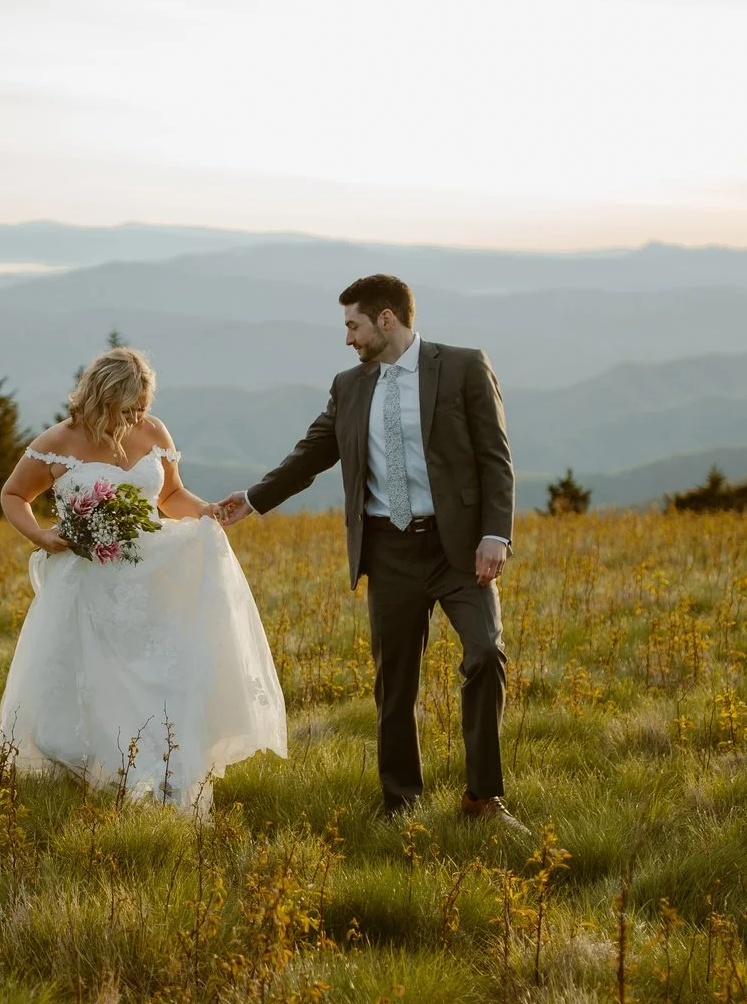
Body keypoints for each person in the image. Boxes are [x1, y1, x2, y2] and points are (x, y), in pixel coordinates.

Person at [214, 275, 519, 825]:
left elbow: (495, 456)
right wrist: (255, 499)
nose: (347, 339)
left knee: (485, 655)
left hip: (459, 550)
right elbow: (311, 453)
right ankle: (401, 802)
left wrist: (496, 534)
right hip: (389, 552)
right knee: (395, 685)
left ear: (386, 319)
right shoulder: (349, 386)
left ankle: (483, 798)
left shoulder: (464, 366)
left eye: (353, 325)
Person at [0, 346, 289, 812]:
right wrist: (40, 534)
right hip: (89, 584)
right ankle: (96, 775)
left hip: (152, 578)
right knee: (97, 681)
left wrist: (207, 511)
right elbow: (14, 493)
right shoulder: (58, 441)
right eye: (127, 406)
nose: (137, 415)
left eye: (142, 405)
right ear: (100, 397)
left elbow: (171, 494)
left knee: (158, 678)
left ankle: (163, 776)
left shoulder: (151, 431)